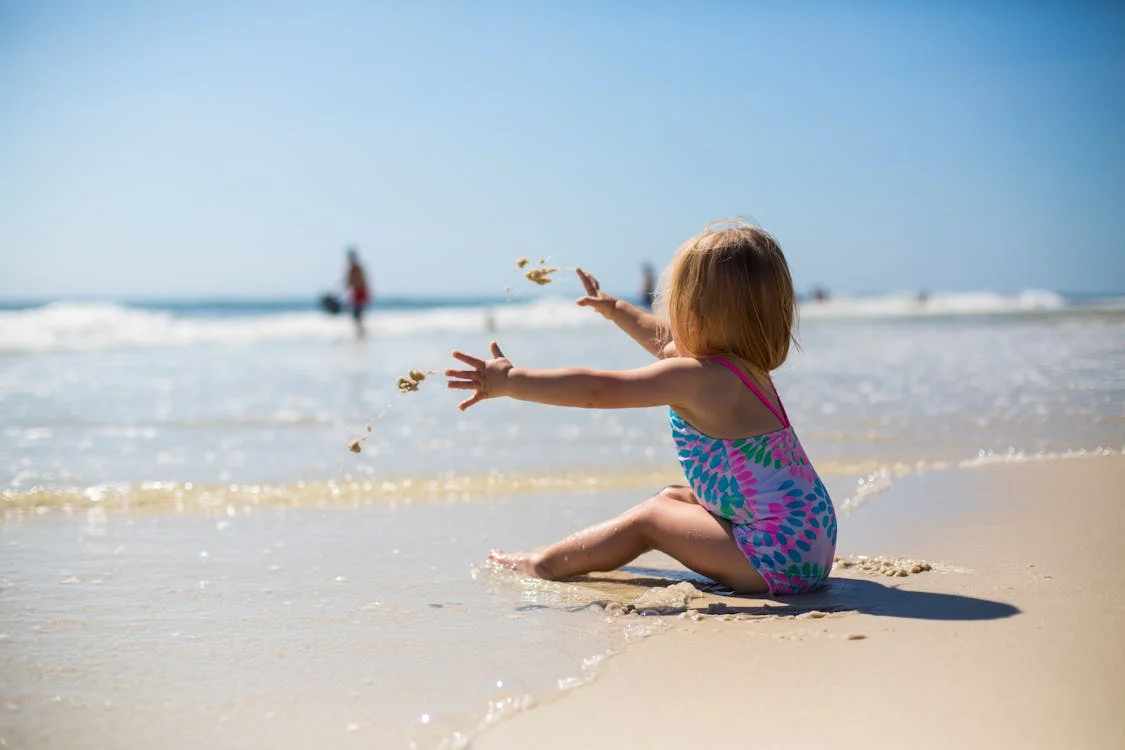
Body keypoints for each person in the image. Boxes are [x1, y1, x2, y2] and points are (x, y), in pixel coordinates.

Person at [445, 220, 837, 596]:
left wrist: (512, 382)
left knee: (650, 519)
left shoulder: (700, 379)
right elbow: (665, 340)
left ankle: (543, 563)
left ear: (694, 316)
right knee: (672, 498)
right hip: (808, 539)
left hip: (775, 559)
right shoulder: (742, 370)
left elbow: (598, 390)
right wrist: (615, 308)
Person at [344, 247, 370, 338]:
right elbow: (348, 283)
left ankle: (361, 332)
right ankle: (360, 332)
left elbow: (359, 283)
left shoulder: (357, 269)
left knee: (357, 314)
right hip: (356, 294)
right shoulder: (352, 269)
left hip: (360, 294)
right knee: (356, 315)